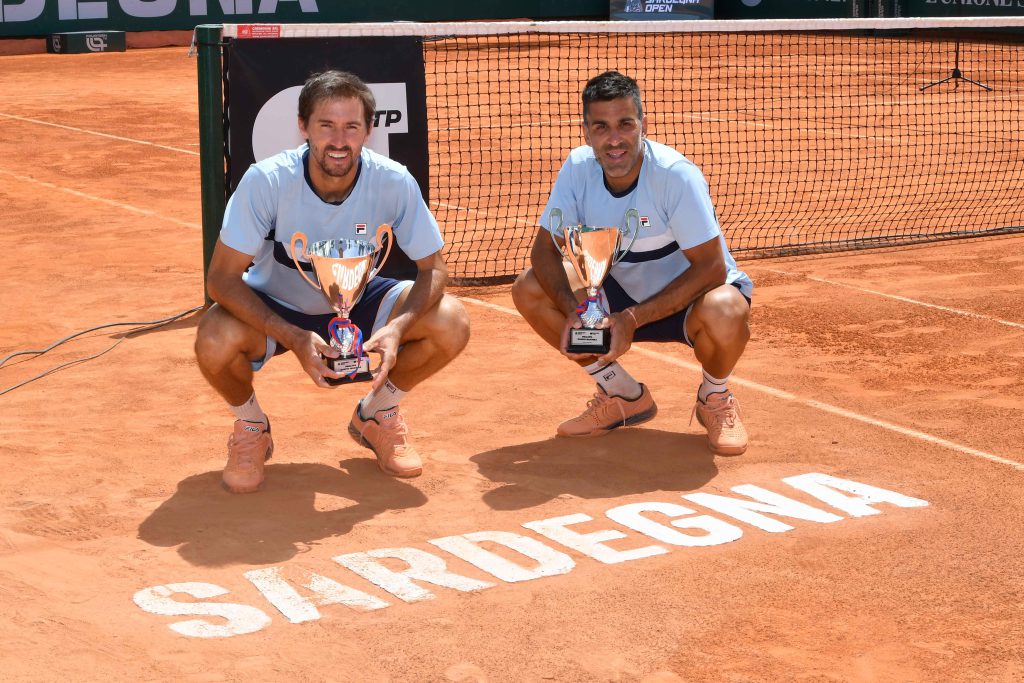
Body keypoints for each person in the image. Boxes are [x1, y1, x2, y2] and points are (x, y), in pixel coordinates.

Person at [195, 70, 469, 493]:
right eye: (326, 125)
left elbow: (434, 268)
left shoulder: (393, 180)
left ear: (368, 131)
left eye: (351, 127)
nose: (339, 140)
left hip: (359, 301)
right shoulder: (267, 181)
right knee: (213, 337)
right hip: (277, 304)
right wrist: (292, 334)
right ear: (303, 127)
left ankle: (378, 413)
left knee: (451, 320)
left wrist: (397, 327)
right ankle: (251, 427)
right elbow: (222, 279)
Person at [511, 70, 753, 454]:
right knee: (529, 286)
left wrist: (631, 320)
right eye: (601, 127)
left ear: (643, 124)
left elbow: (712, 268)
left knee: (727, 308)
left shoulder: (675, 176)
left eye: (625, 123)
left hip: (690, 299)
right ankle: (622, 394)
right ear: (587, 132)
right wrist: (573, 309)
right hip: (617, 295)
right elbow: (544, 250)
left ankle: (714, 397)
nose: (614, 139)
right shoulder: (577, 168)